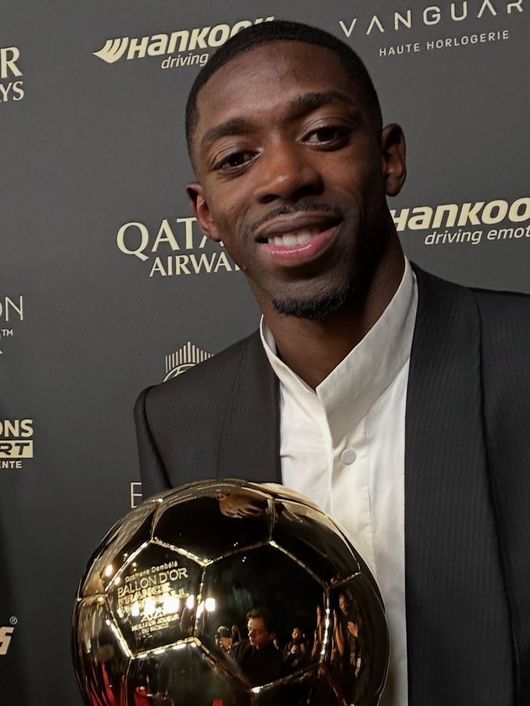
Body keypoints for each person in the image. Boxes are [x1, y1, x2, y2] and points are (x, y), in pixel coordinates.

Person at [134, 20, 530, 706]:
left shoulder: (519, 361)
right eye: (237, 158)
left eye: (323, 134)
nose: (285, 177)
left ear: (390, 158)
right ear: (206, 214)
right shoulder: (176, 423)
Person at [232, 608, 283, 686]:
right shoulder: (241, 646)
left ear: (271, 635)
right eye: (249, 629)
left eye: (258, 632)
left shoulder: (275, 661)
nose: (250, 634)